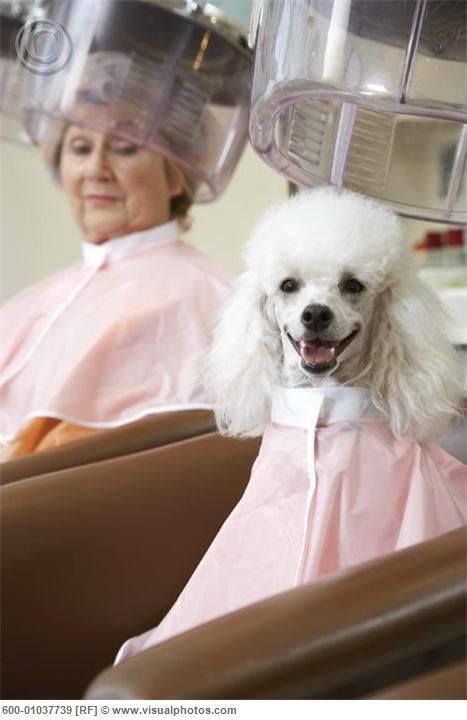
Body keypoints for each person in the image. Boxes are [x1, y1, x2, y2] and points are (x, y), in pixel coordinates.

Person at [0, 119, 230, 460]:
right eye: (80, 148)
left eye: (126, 148)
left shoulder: (194, 294)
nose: (96, 169)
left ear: (177, 173)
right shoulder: (33, 300)